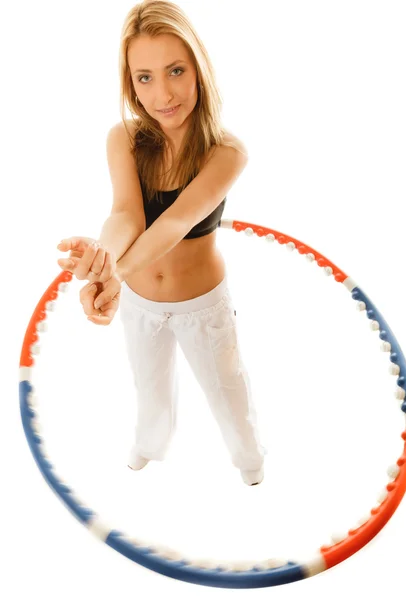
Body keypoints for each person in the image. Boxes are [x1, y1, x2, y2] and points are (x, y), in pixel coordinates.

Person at [57, 0, 266, 486]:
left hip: (202, 305)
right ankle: (150, 445)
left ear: (198, 68)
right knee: (148, 387)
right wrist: (102, 258)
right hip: (141, 303)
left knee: (227, 389)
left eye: (176, 70)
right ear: (130, 82)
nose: (164, 93)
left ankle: (250, 460)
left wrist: (111, 273)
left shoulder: (226, 152)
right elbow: (125, 214)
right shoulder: (124, 139)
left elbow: (172, 225)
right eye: (145, 77)